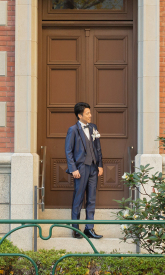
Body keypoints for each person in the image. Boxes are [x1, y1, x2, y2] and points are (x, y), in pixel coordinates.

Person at [64, 102, 104, 239]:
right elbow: (68, 151)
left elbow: (98, 148)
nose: (90, 115)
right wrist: (73, 168)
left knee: (91, 199)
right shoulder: (73, 130)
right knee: (78, 198)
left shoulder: (93, 128)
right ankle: (75, 229)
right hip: (80, 169)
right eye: (87, 113)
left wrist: (100, 165)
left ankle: (89, 228)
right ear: (80, 115)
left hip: (93, 168)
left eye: (90, 113)